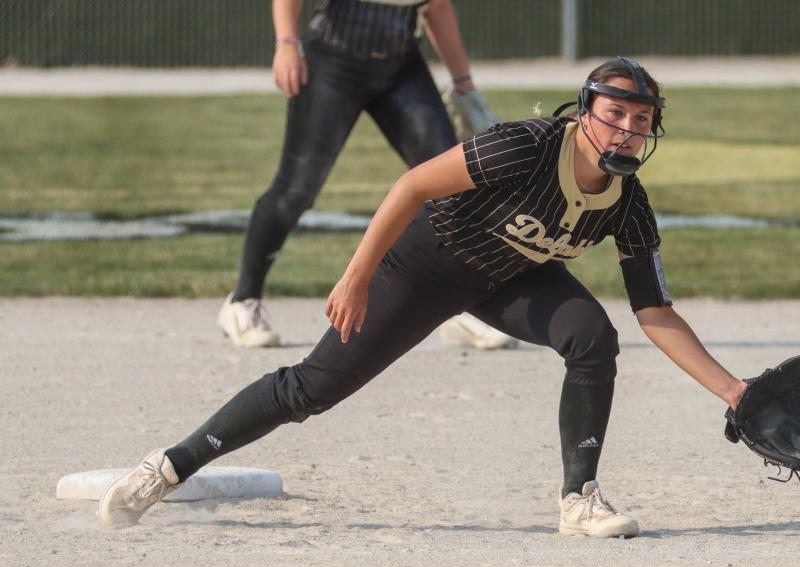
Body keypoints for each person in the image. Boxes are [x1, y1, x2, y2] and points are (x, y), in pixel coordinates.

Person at [100, 57, 748, 538]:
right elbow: (413, 184)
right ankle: (169, 465)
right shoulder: (525, 146)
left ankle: (579, 498)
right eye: (616, 114)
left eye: (641, 120)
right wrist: (357, 274)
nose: (628, 130)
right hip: (426, 264)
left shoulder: (628, 205)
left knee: (591, 336)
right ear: (586, 112)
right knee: (311, 389)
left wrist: (733, 391)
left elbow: (655, 312)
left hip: (507, 280)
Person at [218, 0, 515, 350]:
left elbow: (438, 5)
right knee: (295, 190)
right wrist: (286, 42)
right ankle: (242, 302)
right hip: (333, 61)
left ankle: (462, 306)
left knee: (452, 184)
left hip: (401, 64)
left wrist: (463, 83)